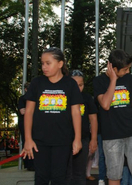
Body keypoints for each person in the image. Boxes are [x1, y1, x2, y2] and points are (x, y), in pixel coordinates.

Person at [22, 47, 83, 185]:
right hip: (39, 142)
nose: (44, 67)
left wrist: (77, 139)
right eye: (42, 63)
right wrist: (28, 139)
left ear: (60, 64)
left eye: (48, 63)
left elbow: (76, 112)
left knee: (59, 178)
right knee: (41, 178)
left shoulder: (70, 84)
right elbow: (29, 112)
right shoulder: (37, 83)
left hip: (62, 141)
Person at [93, 49, 132, 185]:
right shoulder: (99, 82)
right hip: (111, 136)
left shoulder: (128, 79)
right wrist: (113, 80)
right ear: (113, 68)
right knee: (114, 174)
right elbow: (105, 104)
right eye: (125, 69)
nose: (128, 72)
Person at [67, 69, 98, 184]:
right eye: (75, 84)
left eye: (81, 85)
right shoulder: (63, 97)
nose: (78, 88)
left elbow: (93, 118)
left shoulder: (86, 98)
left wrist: (93, 139)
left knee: (79, 172)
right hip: (65, 140)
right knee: (66, 173)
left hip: (83, 139)